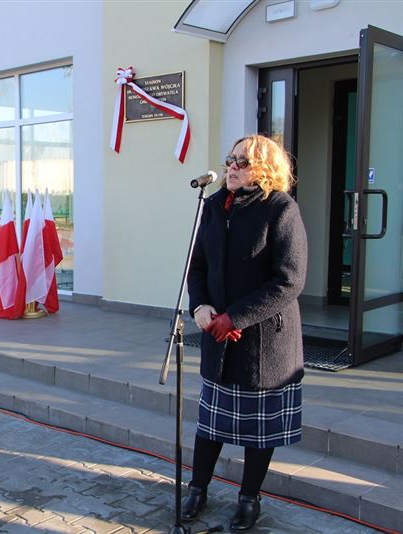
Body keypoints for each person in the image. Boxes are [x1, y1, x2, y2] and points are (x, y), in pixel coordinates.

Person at [183, 134, 308, 532]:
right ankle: (197, 489)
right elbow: (197, 265)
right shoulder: (213, 206)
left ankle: (248, 499)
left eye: (242, 162)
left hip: (264, 340)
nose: (232, 167)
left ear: (264, 169)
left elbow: (289, 281)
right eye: (230, 160)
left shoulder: (281, 209)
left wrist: (235, 318)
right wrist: (200, 306)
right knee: (210, 424)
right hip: (218, 334)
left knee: (259, 431)